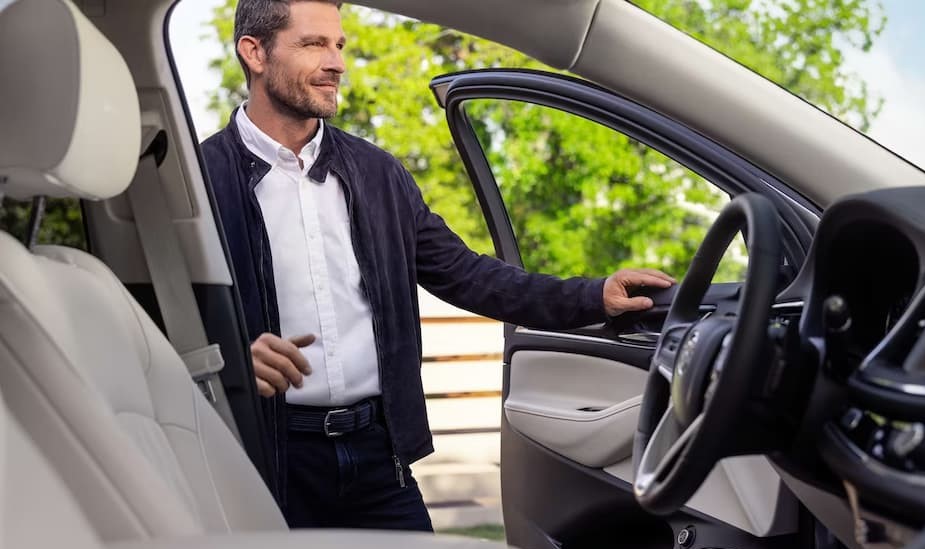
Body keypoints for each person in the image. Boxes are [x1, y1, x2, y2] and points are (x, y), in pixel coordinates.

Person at [201, 0, 675, 532]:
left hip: (381, 459)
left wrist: (592, 296)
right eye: (314, 44)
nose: (336, 62)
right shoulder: (194, 183)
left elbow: (469, 274)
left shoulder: (380, 174)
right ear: (254, 52)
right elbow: (152, 318)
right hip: (266, 459)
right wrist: (232, 357)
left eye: (339, 46)